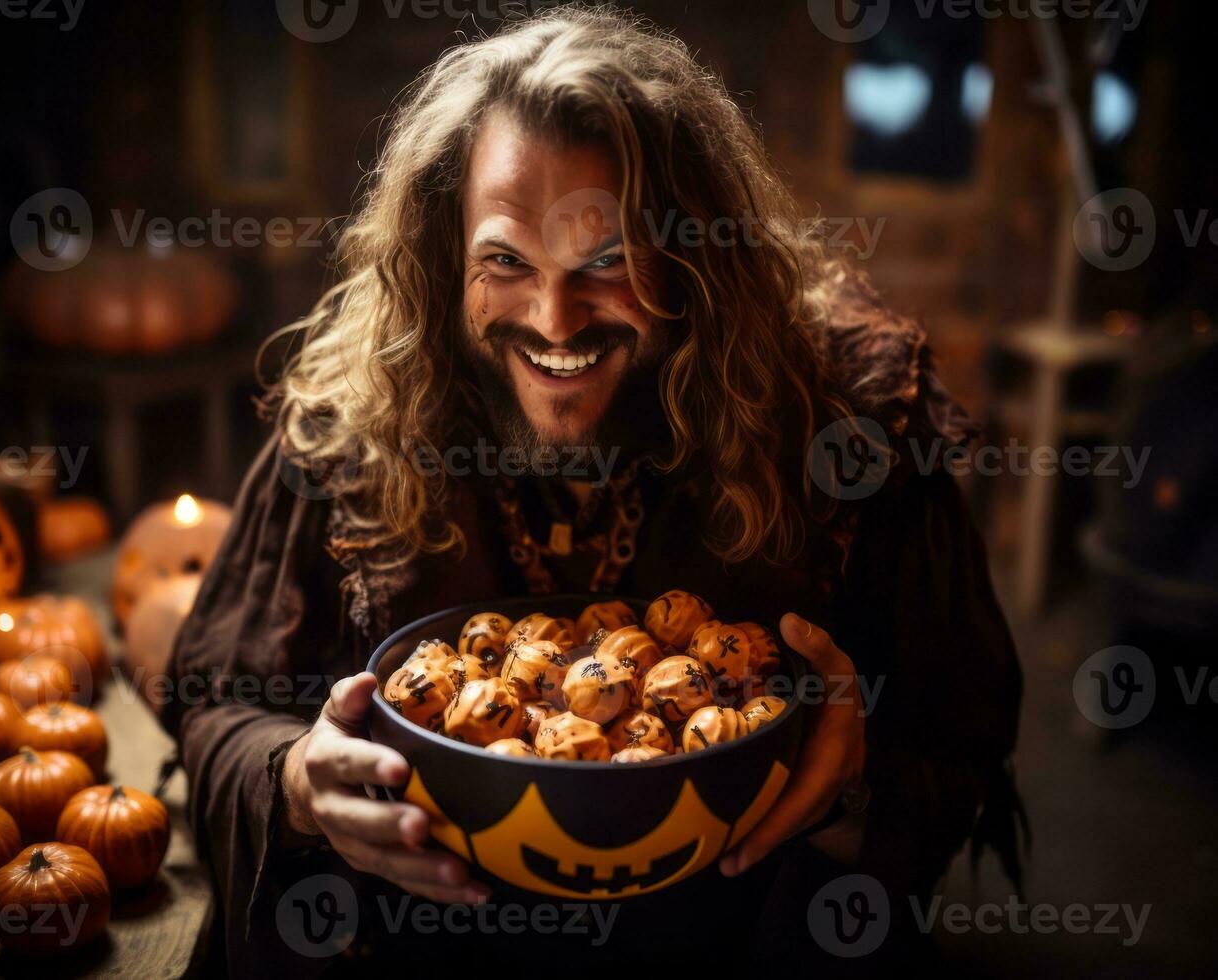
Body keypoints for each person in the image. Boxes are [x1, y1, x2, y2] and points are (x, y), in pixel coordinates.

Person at [160, 7, 1023, 976]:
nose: (552, 318)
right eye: (504, 261)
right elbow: (213, 704)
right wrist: (295, 785)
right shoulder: (351, 422)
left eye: (606, 261)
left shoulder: (846, 422)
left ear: (694, 256)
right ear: (445, 256)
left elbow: (962, 747)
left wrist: (852, 794)